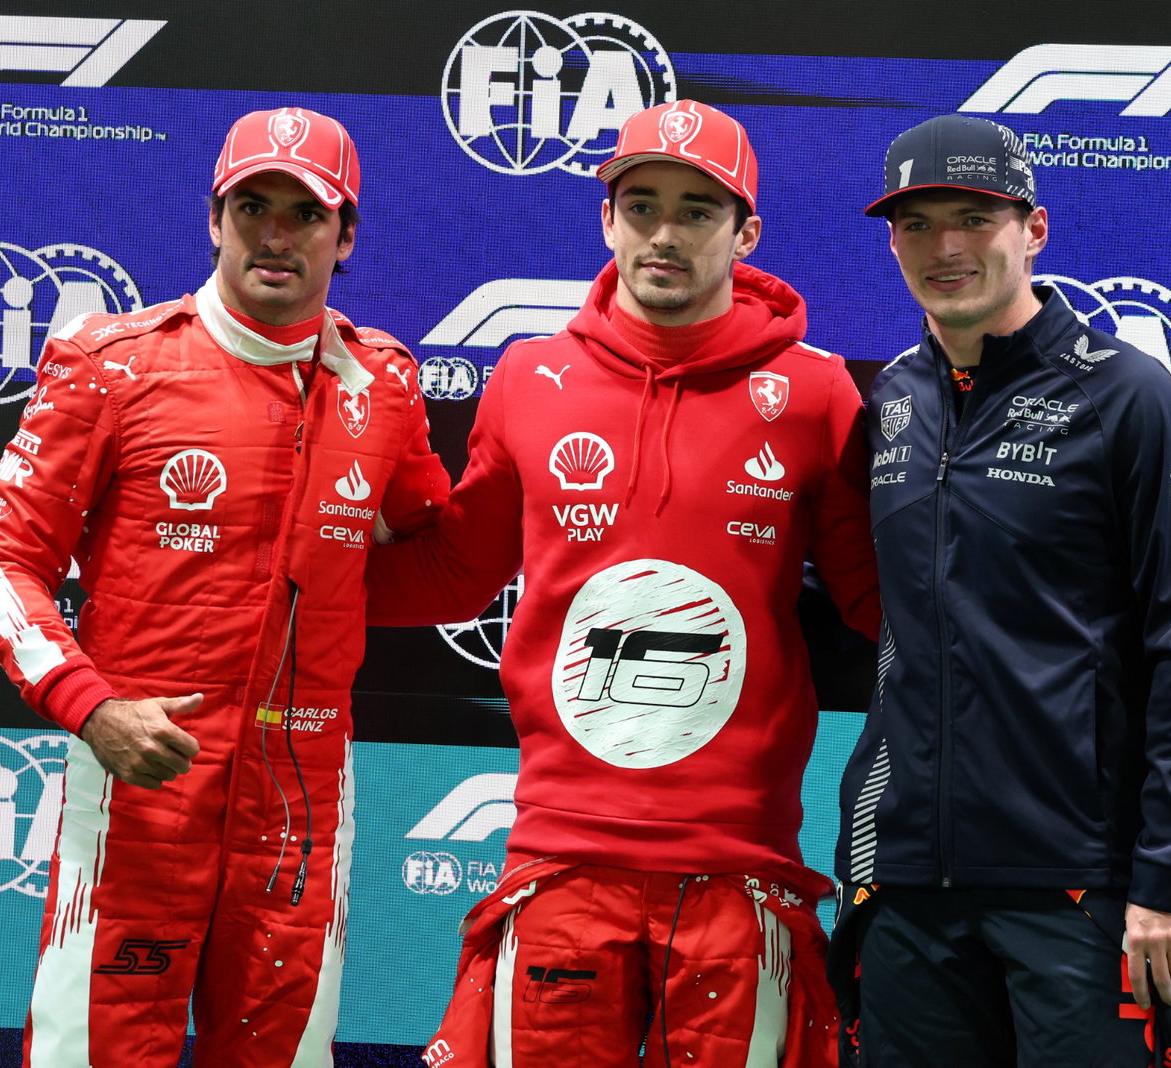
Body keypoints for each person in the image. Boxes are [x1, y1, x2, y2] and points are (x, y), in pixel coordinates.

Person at [367, 99, 879, 1067]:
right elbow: (451, 572)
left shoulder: (815, 394)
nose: (665, 233)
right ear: (606, 217)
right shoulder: (527, 378)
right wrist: (269, 580)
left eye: (697, 210)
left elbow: (876, 604)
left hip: (740, 871)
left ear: (746, 232)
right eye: (641, 205)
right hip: (563, 864)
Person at [0, 106, 448, 1066]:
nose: (276, 234)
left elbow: (434, 552)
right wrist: (91, 707)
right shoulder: (112, 366)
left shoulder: (383, 383)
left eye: (306, 213)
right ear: (214, 218)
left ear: (345, 237)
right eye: (252, 205)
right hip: (140, 784)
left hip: (301, 797)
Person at [830, 114, 1171, 1067]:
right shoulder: (889, 401)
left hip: (1075, 888)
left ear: (1035, 230)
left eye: (974, 217)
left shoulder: (1126, 394)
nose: (945, 246)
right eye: (916, 222)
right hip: (905, 888)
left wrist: (1168, 875)